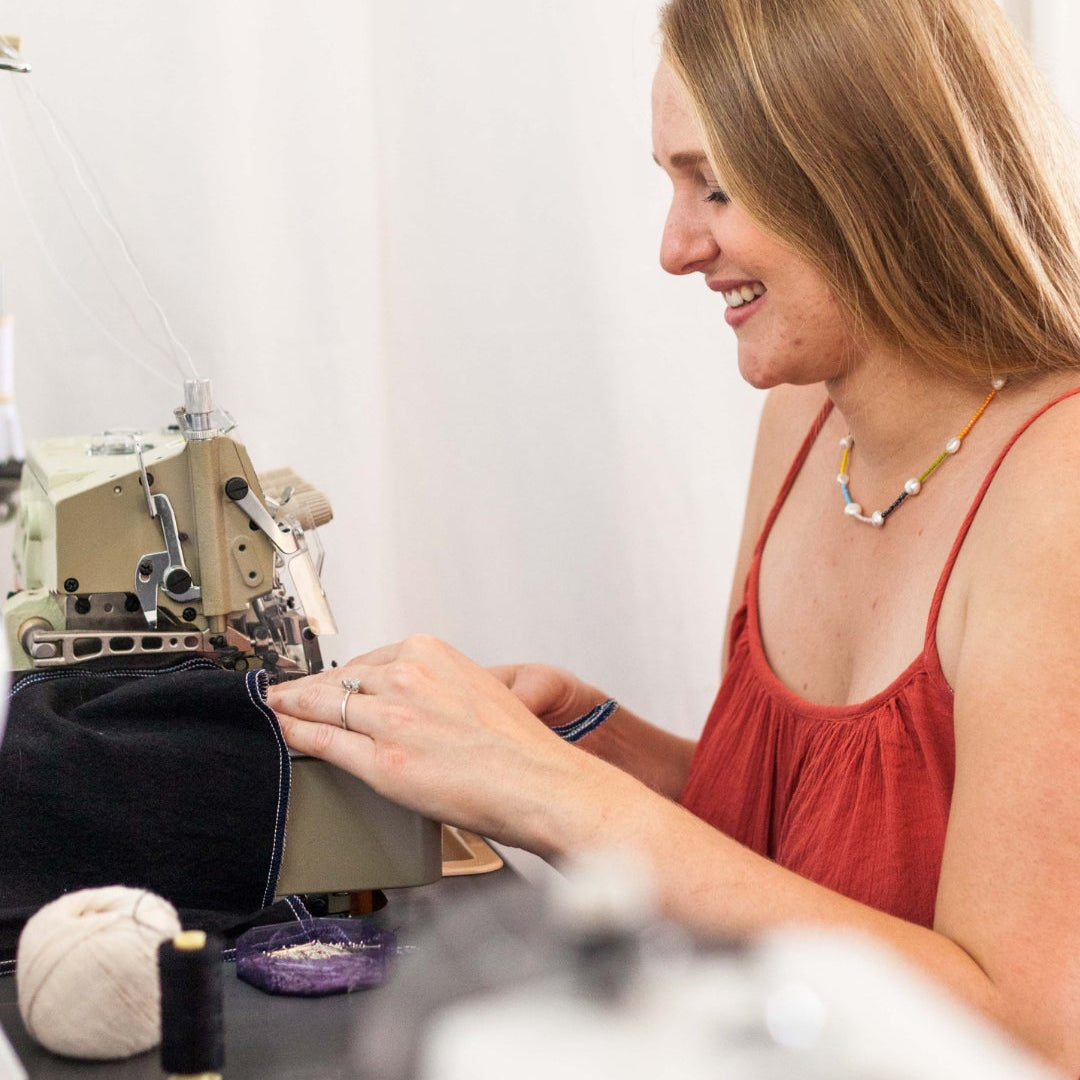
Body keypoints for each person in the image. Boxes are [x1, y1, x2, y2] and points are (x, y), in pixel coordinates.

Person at [269, 0, 1080, 1070]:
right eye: (671, 181)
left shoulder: (1056, 486)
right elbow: (822, 858)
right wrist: (611, 751)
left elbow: (1029, 1036)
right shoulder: (803, 422)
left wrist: (559, 797)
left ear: (867, 174)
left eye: (717, 185)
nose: (675, 247)